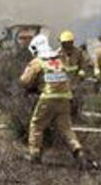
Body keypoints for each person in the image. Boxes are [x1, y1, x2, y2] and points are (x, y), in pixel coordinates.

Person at [19, 34, 96, 168]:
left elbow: (25, 81)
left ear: (36, 50)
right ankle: (79, 152)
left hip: (48, 98)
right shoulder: (59, 60)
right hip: (65, 98)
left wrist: (31, 81)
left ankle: (34, 155)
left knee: (37, 125)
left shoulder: (38, 62)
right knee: (66, 128)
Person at [57, 30, 90, 118]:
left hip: (76, 80)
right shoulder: (57, 54)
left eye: (69, 43)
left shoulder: (78, 52)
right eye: (65, 43)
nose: (67, 45)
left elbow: (84, 64)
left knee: (77, 99)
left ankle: (76, 115)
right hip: (63, 81)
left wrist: (81, 73)